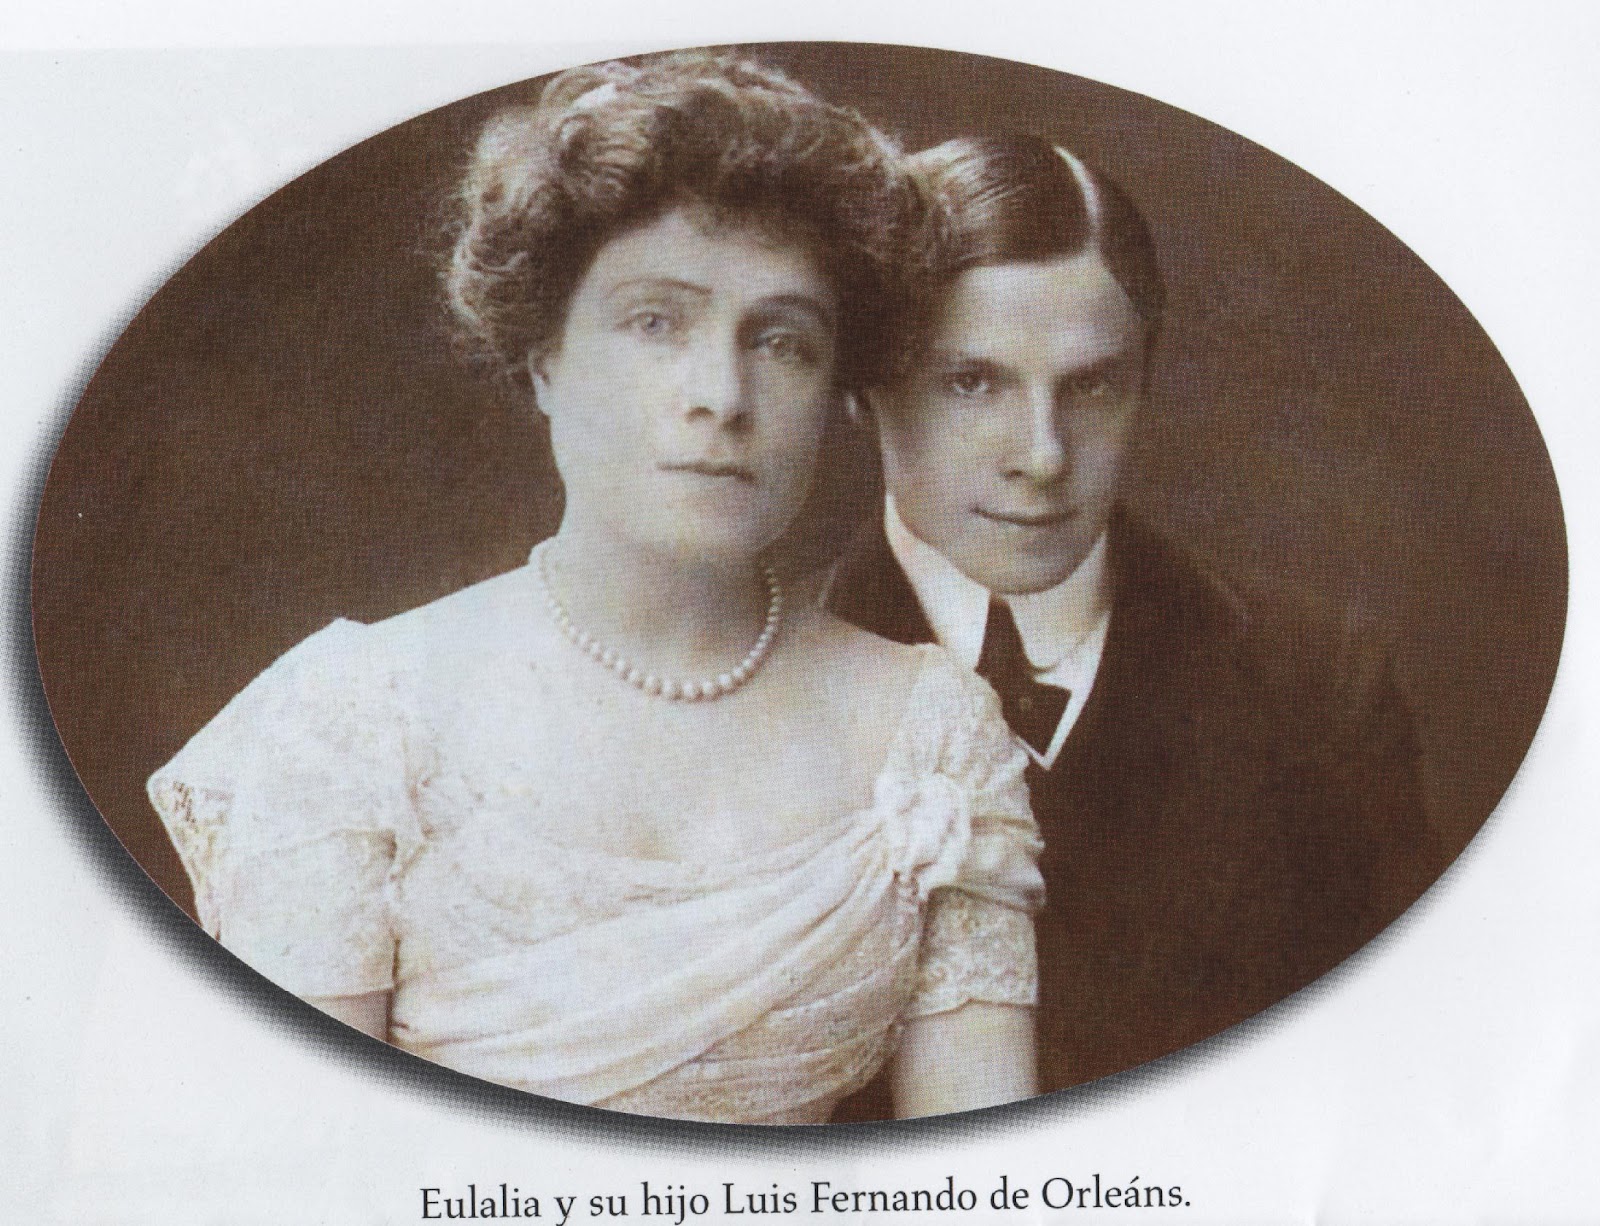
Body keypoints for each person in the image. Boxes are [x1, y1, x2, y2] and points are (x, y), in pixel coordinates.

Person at [146, 54, 1046, 1125]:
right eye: (656, 322)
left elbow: (982, 1172)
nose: (722, 395)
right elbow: (300, 1165)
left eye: (783, 341)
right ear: (545, 360)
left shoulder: (931, 734)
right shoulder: (359, 714)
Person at [828, 133, 1443, 1099]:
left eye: (1092, 387)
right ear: (866, 392)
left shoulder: (1318, 691)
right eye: (972, 383)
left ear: (1145, 379)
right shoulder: (755, 683)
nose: (1042, 455)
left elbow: (1412, 1078)